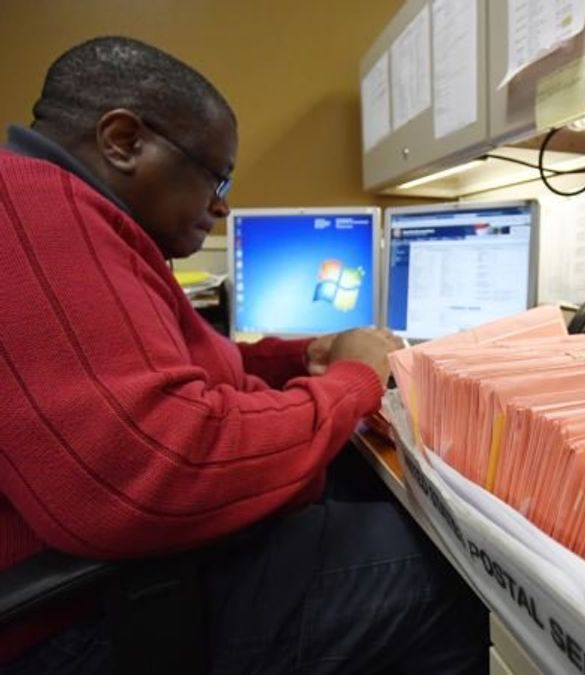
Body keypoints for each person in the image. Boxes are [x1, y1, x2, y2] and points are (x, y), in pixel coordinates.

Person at [0, 36, 487, 673]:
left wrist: (301, 355)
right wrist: (353, 380)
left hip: (119, 574)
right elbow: (157, 466)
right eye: (216, 176)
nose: (223, 204)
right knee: (458, 578)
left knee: (374, 508)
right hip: (87, 615)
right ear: (122, 140)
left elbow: (173, 364)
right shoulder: (32, 209)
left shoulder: (74, 214)